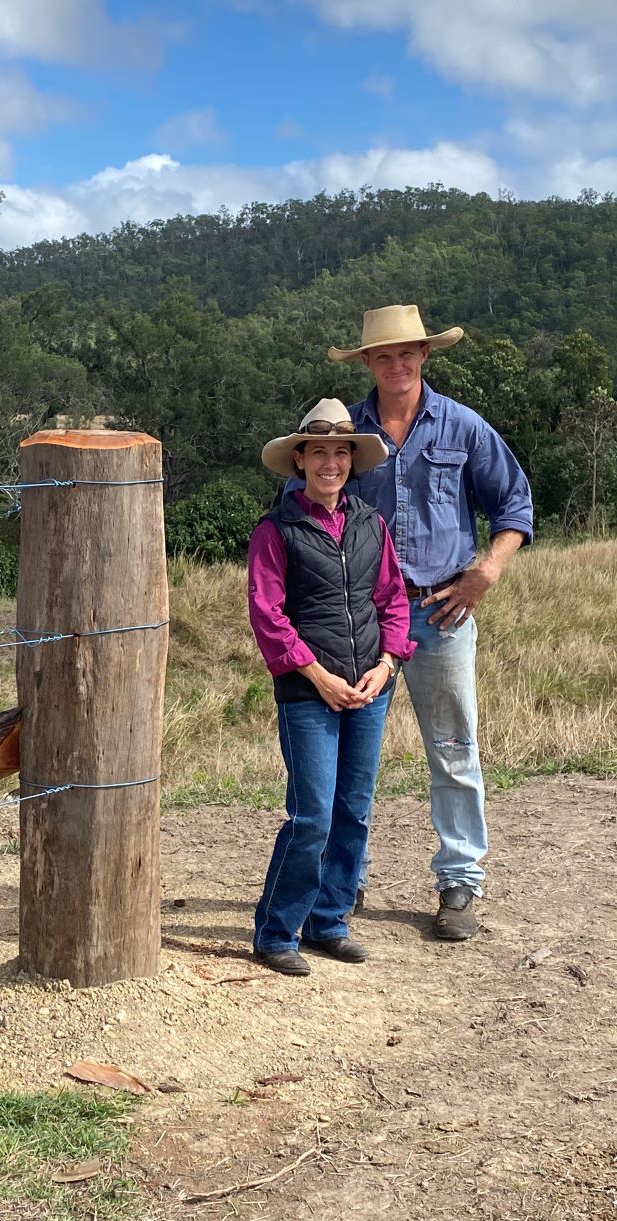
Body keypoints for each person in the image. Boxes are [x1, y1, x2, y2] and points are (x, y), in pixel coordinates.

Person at [324, 304, 534, 941]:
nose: (396, 364)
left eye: (407, 352)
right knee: (350, 757)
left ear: (424, 356)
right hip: (360, 618)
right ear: (366, 362)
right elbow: (301, 508)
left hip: (442, 612)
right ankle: (341, 880)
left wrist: (486, 571)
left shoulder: (464, 428)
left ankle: (460, 882)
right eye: (383, 354)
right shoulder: (341, 433)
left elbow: (514, 506)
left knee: (452, 749)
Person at [247, 398, 416, 976]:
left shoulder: (371, 524)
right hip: (307, 692)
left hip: (370, 685)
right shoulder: (278, 530)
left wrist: (388, 664)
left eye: (341, 452)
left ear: (352, 461)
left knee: (354, 811)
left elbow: (392, 599)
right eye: (319, 451)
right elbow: (268, 614)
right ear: (300, 460)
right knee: (312, 814)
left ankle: (329, 922)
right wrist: (317, 675)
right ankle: (274, 931)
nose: (331, 463)